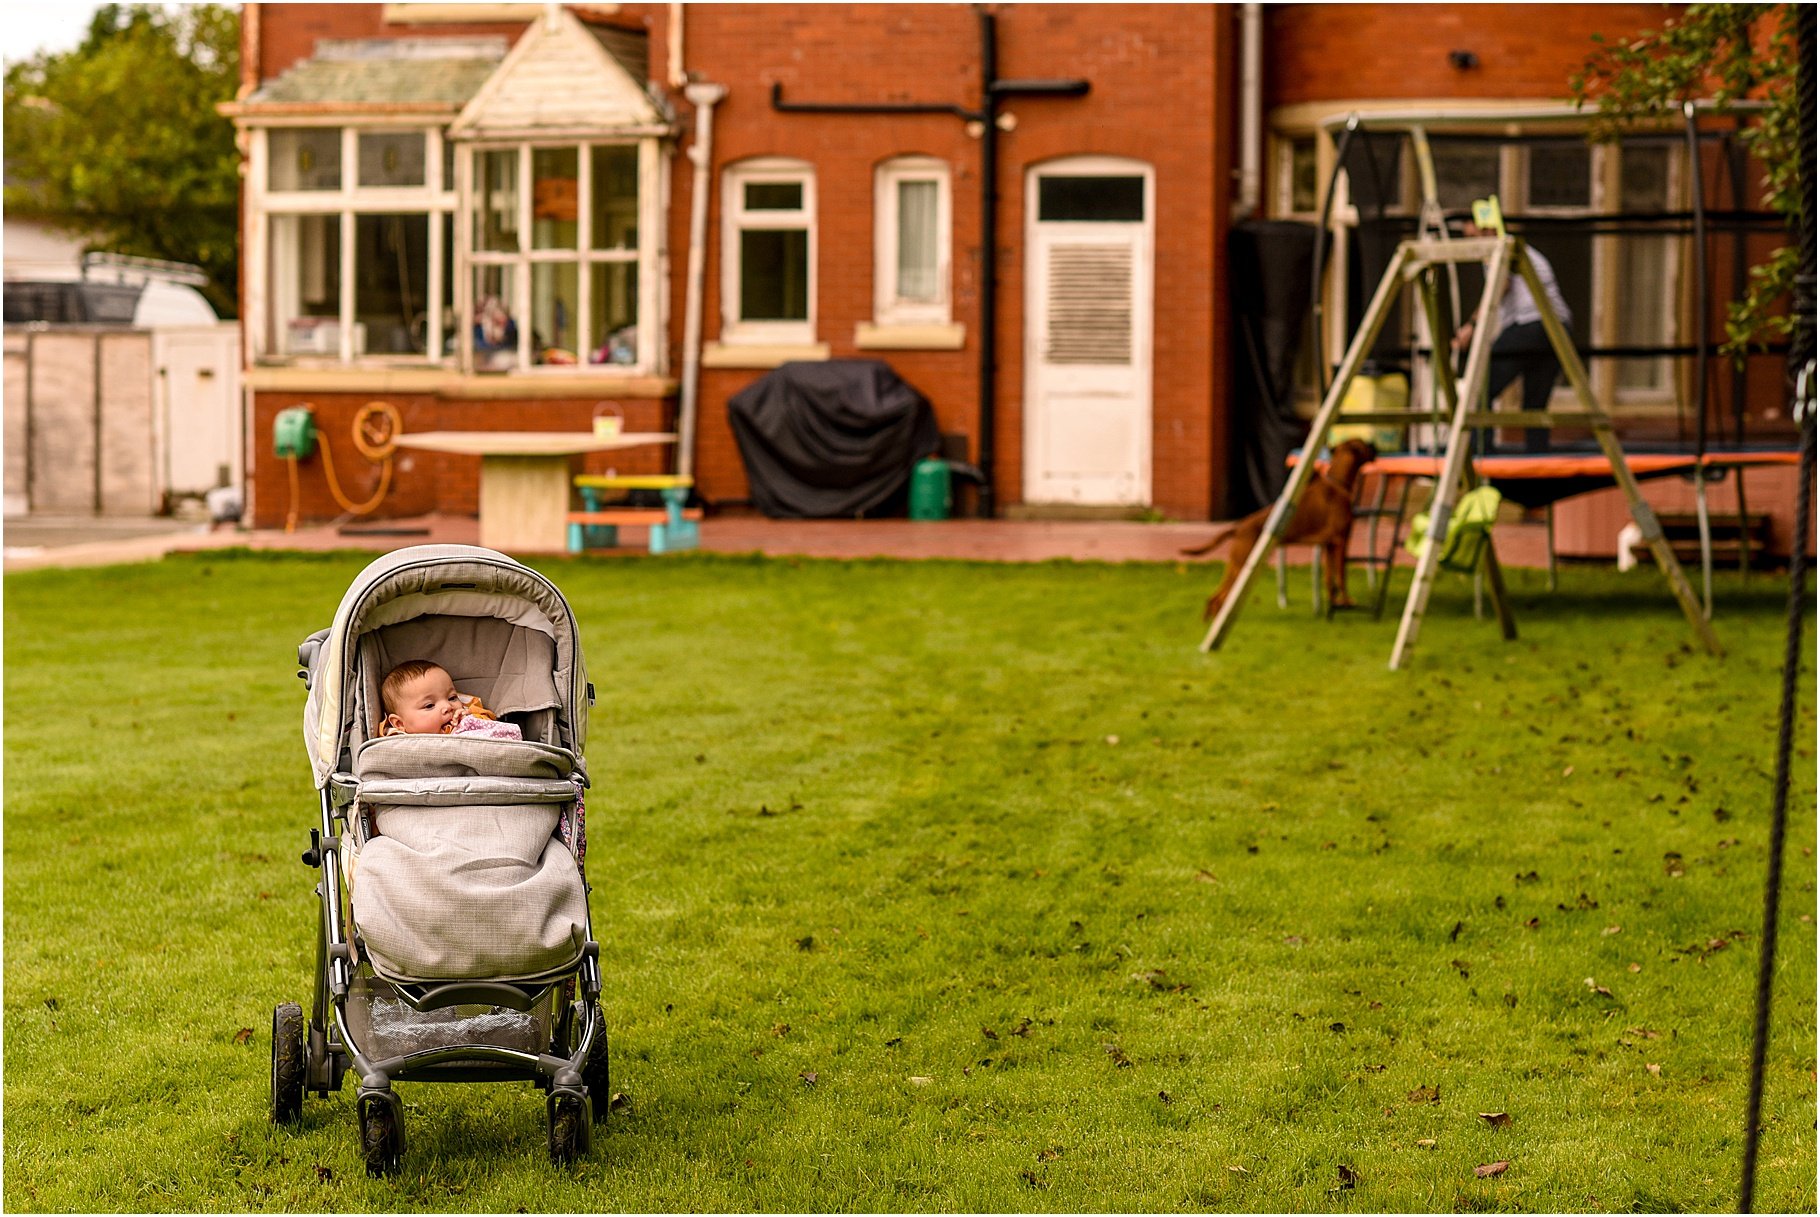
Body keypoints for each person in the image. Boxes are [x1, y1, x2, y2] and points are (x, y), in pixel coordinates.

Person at [1452, 219, 1573, 453]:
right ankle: (1537, 454)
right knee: (1535, 403)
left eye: (1474, 237)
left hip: (1531, 323)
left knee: (1481, 386)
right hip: (1558, 326)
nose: (1473, 244)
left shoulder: (1500, 250)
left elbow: (1501, 286)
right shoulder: (1524, 251)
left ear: (1488, 230)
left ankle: (1480, 452)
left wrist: (1471, 326)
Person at [378, 659, 522, 741]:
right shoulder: (396, 738)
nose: (448, 706)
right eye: (429, 705)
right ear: (400, 723)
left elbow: (493, 724)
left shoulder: (466, 713)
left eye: (452, 697)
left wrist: (472, 718)